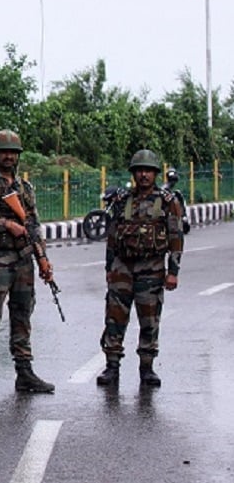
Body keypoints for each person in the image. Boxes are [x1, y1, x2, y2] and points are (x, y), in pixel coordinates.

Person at [0, 129, 56, 396]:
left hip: (24, 260)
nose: (9, 156)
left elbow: (34, 226)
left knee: (22, 316)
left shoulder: (25, 188)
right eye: (4, 152)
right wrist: (5, 224)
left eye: (13, 152)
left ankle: (24, 373)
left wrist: (43, 259)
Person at [96, 149, 184, 388]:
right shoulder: (122, 200)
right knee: (115, 318)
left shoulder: (167, 202)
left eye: (148, 171)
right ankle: (112, 367)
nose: (144, 175)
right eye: (139, 170)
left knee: (149, 319)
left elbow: (176, 238)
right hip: (122, 268)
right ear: (133, 173)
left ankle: (147, 368)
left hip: (152, 268)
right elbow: (112, 236)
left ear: (155, 173)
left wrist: (173, 271)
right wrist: (109, 267)